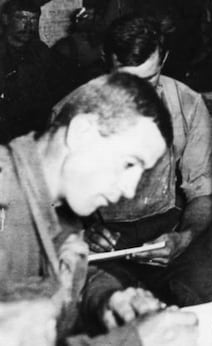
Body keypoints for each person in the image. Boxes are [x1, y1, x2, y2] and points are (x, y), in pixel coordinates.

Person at [0, 72, 198, 345]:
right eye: (129, 163)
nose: (130, 190)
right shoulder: (6, 202)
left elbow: (62, 278)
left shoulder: (55, 204)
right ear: (81, 133)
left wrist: (107, 298)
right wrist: (134, 340)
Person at [77, 16, 212, 327]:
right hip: (107, 238)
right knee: (107, 315)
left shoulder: (187, 104)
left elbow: (202, 193)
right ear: (106, 61)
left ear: (163, 59)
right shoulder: (73, 112)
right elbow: (52, 208)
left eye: (148, 79)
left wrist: (183, 238)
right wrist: (84, 232)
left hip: (169, 227)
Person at [0, 0, 66, 142]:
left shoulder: (41, 51)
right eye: (21, 18)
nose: (28, 25)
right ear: (5, 19)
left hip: (36, 131)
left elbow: (57, 90)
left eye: (34, 19)